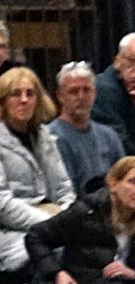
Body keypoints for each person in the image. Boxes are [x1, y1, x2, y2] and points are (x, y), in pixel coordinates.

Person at [0, 66, 74, 280]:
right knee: (53, 256)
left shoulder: (44, 136)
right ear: (2, 100)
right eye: (15, 94)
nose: (24, 100)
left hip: (47, 221)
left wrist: (66, 218)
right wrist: (49, 224)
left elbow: (64, 189)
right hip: (1, 230)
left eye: (30, 94)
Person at [27, 154, 135, 284]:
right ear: (113, 183)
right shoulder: (86, 212)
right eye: (133, 182)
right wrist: (56, 273)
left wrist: (131, 273)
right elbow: (36, 236)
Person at [50, 62, 125, 194]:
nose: (81, 97)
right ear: (60, 96)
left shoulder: (109, 136)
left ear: (94, 93)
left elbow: (123, 179)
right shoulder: (51, 137)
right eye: (73, 91)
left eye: (86, 90)